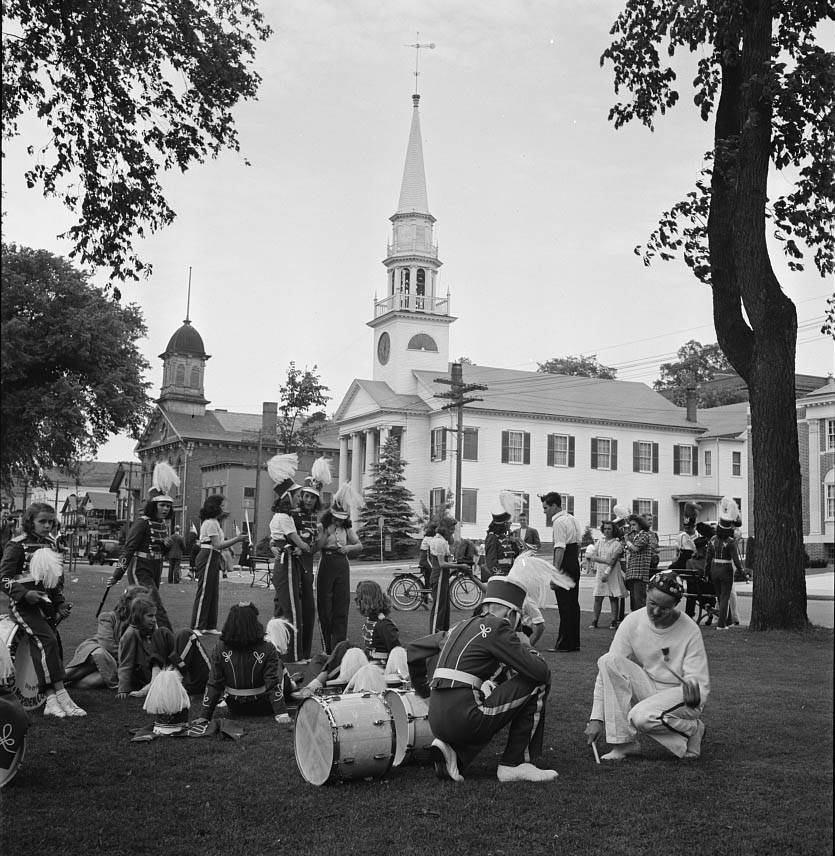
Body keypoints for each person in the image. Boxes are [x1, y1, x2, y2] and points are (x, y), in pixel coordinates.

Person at [409, 576, 557, 783]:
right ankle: (514, 764)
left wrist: (424, 693)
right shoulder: (499, 627)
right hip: (464, 717)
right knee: (538, 682)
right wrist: (526, 646)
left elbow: (413, 650)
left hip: (436, 717)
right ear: (511, 613)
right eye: (520, 618)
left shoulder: (459, 626)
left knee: (487, 702)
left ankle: (455, 753)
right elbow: (540, 672)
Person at [584, 571, 709, 761]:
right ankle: (624, 743)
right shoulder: (633, 621)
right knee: (608, 660)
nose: (656, 611)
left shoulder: (690, 629)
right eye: (652, 603)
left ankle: (693, 729)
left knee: (640, 717)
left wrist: (692, 696)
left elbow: (698, 683)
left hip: (683, 696)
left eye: (665, 608)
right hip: (652, 686)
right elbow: (607, 672)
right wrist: (596, 718)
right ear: (646, 592)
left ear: (676, 605)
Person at [0, 502, 86, 717]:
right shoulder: (16, 545)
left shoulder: (51, 544)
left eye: (50, 521)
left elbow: (54, 581)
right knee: (46, 641)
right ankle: (56, 696)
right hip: (23, 605)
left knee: (51, 644)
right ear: (30, 522)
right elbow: (4, 579)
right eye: (42, 521)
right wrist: (24, 594)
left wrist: (59, 603)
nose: (47, 525)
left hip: (45, 604)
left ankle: (55, 699)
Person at [196, 602, 291, 724]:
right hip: (263, 706)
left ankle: (291, 685)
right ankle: (292, 686)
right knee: (279, 665)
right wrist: (281, 713)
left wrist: (204, 715)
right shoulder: (268, 647)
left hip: (235, 707)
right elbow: (272, 682)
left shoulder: (220, 647)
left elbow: (214, 683)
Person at [109, 473, 177, 631]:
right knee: (155, 605)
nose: (166, 509)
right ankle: (168, 639)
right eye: (162, 505)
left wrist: (166, 546)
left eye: (168, 506)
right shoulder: (142, 523)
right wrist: (117, 574)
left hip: (156, 567)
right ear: (154, 505)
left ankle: (123, 630)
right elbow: (129, 549)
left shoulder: (162, 524)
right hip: (140, 568)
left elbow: (160, 550)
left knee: (141, 606)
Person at [117, 596, 210, 698]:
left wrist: (156, 632)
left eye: (155, 616)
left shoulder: (155, 632)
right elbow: (126, 663)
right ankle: (159, 683)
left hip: (174, 676)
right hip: (177, 679)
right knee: (187, 634)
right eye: (150, 616)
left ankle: (156, 683)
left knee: (166, 632)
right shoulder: (130, 634)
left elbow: (171, 650)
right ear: (138, 616)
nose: (154, 620)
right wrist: (123, 689)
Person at [65, 585, 148, 688]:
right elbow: (107, 645)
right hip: (97, 650)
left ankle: (64, 685)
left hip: (118, 662)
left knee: (101, 679)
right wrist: (128, 658)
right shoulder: (108, 617)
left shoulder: (146, 621)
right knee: (99, 654)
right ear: (129, 602)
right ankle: (54, 681)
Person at [191, 495, 248, 635]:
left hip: (213, 556)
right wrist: (237, 539)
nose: (224, 508)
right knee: (205, 591)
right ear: (214, 506)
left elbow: (219, 545)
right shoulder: (210, 523)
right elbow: (217, 544)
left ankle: (209, 625)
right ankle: (197, 626)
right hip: (208, 555)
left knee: (213, 592)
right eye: (222, 506)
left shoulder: (215, 522)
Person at [316, 485, 363, 654]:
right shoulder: (323, 526)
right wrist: (327, 533)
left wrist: (349, 549)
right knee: (325, 605)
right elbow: (317, 547)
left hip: (342, 563)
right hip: (326, 562)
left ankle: (339, 645)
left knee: (341, 605)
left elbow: (359, 545)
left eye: (341, 519)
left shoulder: (346, 528)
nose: (338, 522)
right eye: (336, 519)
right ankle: (327, 647)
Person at [291, 462, 329, 662]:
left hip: (307, 565)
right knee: (292, 608)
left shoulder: (316, 518)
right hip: (293, 563)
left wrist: (323, 535)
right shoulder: (293, 514)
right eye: (306, 496)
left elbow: (314, 548)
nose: (308, 500)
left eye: (313, 497)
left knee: (308, 610)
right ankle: (291, 651)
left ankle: (304, 653)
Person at [540, 492, 582, 652]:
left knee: (565, 605)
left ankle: (565, 643)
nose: (544, 511)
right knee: (573, 604)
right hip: (573, 562)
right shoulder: (572, 519)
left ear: (554, 506)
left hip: (565, 563)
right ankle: (573, 642)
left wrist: (555, 573)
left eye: (546, 508)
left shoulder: (558, 522)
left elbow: (559, 548)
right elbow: (577, 545)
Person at [705, 498, 744, 631]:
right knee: (725, 596)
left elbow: (708, 558)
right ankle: (721, 625)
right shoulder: (731, 542)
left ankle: (727, 621)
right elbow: (736, 560)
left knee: (719, 595)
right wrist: (742, 571)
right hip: (726, 569)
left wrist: (706, 572)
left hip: (714, 569)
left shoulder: (712, 540)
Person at [428, 521, 470, 633]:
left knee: (444, 608)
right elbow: (442, 564)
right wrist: (459, 566)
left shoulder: (441, 541)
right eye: (451, 529)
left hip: (443, 577)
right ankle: (434, 633)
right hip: (440, 577)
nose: (452, 532)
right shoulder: (439, 542)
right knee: (439, 608)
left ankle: (442, 632)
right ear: (445, 530)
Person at [588, 521, 626, 629]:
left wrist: (607, 570)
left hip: (612, 572)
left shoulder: (617, 544)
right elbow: (594, 556)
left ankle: (614, 621)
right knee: (598, 596)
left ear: (613, 530)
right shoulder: (599, 542)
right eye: (605, 529)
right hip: (600, 571)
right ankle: (595, 620)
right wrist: (606, 560)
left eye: (609, 529)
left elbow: (613, 561)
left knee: (613, 597)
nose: (607, 531)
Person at [355, 579, 400, 665]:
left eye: (360, 598)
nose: (357, 601)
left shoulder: (384, 625)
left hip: (381, 667)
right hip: (371, 662)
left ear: (368, 600)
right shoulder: (372, 620)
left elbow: (396, 652)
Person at [623, 514, 653, 613]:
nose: (632, 527)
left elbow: (635, 549)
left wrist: (627, 541)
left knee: (640, 600)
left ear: (640, 524)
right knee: (634, 600)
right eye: (631, 525)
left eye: (634, 524)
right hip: (633, 571)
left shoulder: (644, 535)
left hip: (640, 572)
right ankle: (635, 619)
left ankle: (643, 620)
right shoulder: (636, 537)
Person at [418, 524, 437, 590]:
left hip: (426, 560)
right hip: (426, 560)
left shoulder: (429, 538)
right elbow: (434, 547)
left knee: (428, 578)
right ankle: (431, 590)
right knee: (434, 572)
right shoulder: (429, 539)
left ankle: (426, 596)